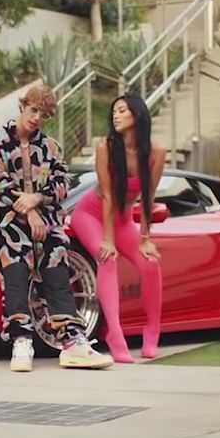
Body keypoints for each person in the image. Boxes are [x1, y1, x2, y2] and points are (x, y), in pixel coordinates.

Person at [0, 84, 112, 372]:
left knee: (55, 257)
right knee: (15, 259)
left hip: (46, 218)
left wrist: (36, 200)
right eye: (34, 110)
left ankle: (73, 342)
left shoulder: (51, 147)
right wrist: (28, 211)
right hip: (6, 217)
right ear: (23, 106)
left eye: (45, 115)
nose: (37, 118)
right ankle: (21, 339)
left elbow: (62, 184)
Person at [68, 92, 166, 363]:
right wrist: (108, 240)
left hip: (123, 220)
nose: (116, 115)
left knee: (151, 263)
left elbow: (149, 196)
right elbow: (109, 196)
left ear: (138, 114)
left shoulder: (156, 152)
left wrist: (145, 238)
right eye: (114, 111)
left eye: (122, 110)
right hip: (91, 214)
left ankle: (152, 330)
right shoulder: (106, 147)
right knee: (107, 259)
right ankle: (115, 333)